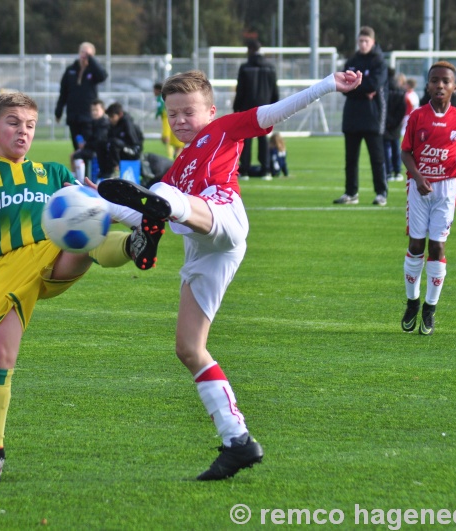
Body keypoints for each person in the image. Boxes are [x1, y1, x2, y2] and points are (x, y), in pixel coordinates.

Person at [97, 69, 363, 481]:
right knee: (188, 348)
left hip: (223, 216)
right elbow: (134, 207)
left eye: (188, 112)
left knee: (163, 198)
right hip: (202, 251)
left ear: (211, 111)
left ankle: (159, 221)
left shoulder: (223, 130)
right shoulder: (179, 165)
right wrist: (91, 198)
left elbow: (276, 112)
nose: (180, 120)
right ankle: (237, 440)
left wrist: (329, 84)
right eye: (172, 114)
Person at [0, 92, 165, 485]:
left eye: (29, 125)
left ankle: (136, 244)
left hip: (54, 251)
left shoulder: (53, 173)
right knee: (0, 356)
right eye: (12, 123)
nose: (22, 132)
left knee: (85, 235)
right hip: (9, 270)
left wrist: (99, 196)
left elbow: (86, 201)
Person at [399, 61, 456, 336]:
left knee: (438, 247)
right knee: (416, 244)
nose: (439, 85)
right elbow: (405, 152)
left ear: (455, 87)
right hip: (419, 189)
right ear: (427, 85)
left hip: (446, 190)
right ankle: (412, 302)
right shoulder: (417, 117)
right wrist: (418, 178)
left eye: (445, 81)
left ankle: (430, 308)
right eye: (434, 80)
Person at [333, 26, 389, 206]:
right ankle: (351, 193)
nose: (363, 44)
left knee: (377, 158)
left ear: (373, 42)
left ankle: (381, 193)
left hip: (373, 117)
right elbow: (343, 87)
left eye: (366, 41)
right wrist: (360, 89)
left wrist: (356, 87)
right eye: (360, 41)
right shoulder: (352, 61)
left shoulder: (379, 62)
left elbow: (373, 85)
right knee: (350, 159)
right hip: (352, 117)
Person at [233, 38, 279, 179]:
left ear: (251, 50)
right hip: (266, 108)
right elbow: (274, 90)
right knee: (263, 138)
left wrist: (237, 108)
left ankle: (245, 170)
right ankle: (266, 170)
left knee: (246, 139)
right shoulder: (270, 67)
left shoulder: (245, 67)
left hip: (248, 108)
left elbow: (240, 90)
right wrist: (275, 106)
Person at [55, 42, 108, 150]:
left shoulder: (93, 71)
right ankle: (79, 167)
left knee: (88, 146)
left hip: (88, 116)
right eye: (83, 52)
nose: (84, 55)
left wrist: (91, 60)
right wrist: (58, 111)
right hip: (73, 115)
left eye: (88, 53)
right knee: (77, 147)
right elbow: (63, 92)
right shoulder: (71, 70)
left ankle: (89, 166)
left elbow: (103, 76)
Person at [96, 102, 144, 180]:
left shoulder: (128, 123)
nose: (110, 119)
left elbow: (134, 143)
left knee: (115, 143)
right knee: (101, 144)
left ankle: (116, 170)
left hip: (133, 151)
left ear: (120, 114)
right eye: (109, 117)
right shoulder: (113, 124)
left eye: (112, 116)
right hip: (119, 149)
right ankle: (104, 172)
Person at [70, 99, 110, 181]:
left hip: (99, 150)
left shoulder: (104, 123)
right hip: (92, 148)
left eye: (96, 110)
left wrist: (85, 145)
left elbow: (98, 140)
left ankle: (80, 180)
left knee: (77, 156)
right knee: (73, 155)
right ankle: (76, 176)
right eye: (92, 110)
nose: (94, 112)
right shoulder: (92, 122)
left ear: (103, 110)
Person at [383, 70, 407, 183]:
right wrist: (396, 122)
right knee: (396, 147)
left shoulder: (383, 90)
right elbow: (402, 109)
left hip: (385, 124)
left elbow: (381, 108)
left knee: (386, 148)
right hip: (396, 125)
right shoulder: (400, 91)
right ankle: (397, 171)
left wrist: (386, 121)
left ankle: (388, 172)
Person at [154, 82, 184, 159]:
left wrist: (157, 114)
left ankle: (171, 156)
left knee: (167, 138)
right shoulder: (169, 97)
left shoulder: (161, 97)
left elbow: (160, 108)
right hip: (169, 118)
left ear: (158, 90)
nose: (153, 92)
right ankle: (176, 154)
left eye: (154, 90)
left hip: (166, 118)